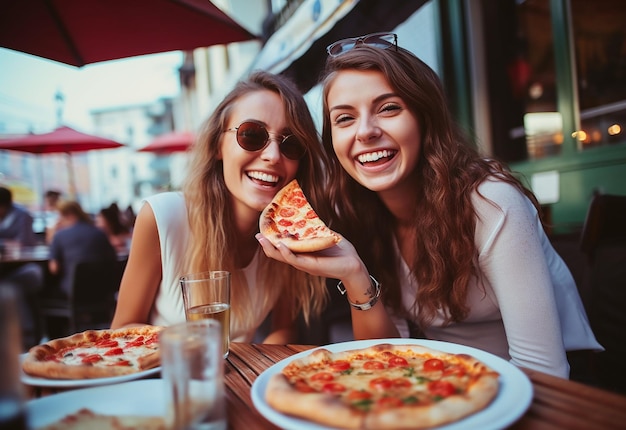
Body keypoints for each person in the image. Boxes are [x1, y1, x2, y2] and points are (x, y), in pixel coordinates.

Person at [256, 33, 602, 378]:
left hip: (548, 392)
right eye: (344, 118)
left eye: (388, 108)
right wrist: (355, 274)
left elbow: (544, 371)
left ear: (425, 118)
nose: (365, 132)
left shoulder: (491, 202)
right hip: (449, 385)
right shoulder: (359, 212)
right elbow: (390, 364)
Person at [110, 71, 331, 345]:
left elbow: (283, 329)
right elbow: (122, 332)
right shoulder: (163, 217)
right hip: (164, 380)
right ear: (218, 145)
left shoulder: (290, 233)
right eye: (252, 135)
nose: (273, 156)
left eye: (292, 143)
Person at [0, 186, 43, 349]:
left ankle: (27, 335)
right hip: (8, 268)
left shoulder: (21, 215)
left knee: (11, 286)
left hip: (28, 267)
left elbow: (25, 243)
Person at [48, 201, 117, 297]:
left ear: (68, 215)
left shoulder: (60, 235)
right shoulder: (99, 233)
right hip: (102, 290)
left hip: (72, 291)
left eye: (60, 217)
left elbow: (54, 268)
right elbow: (112, 260)